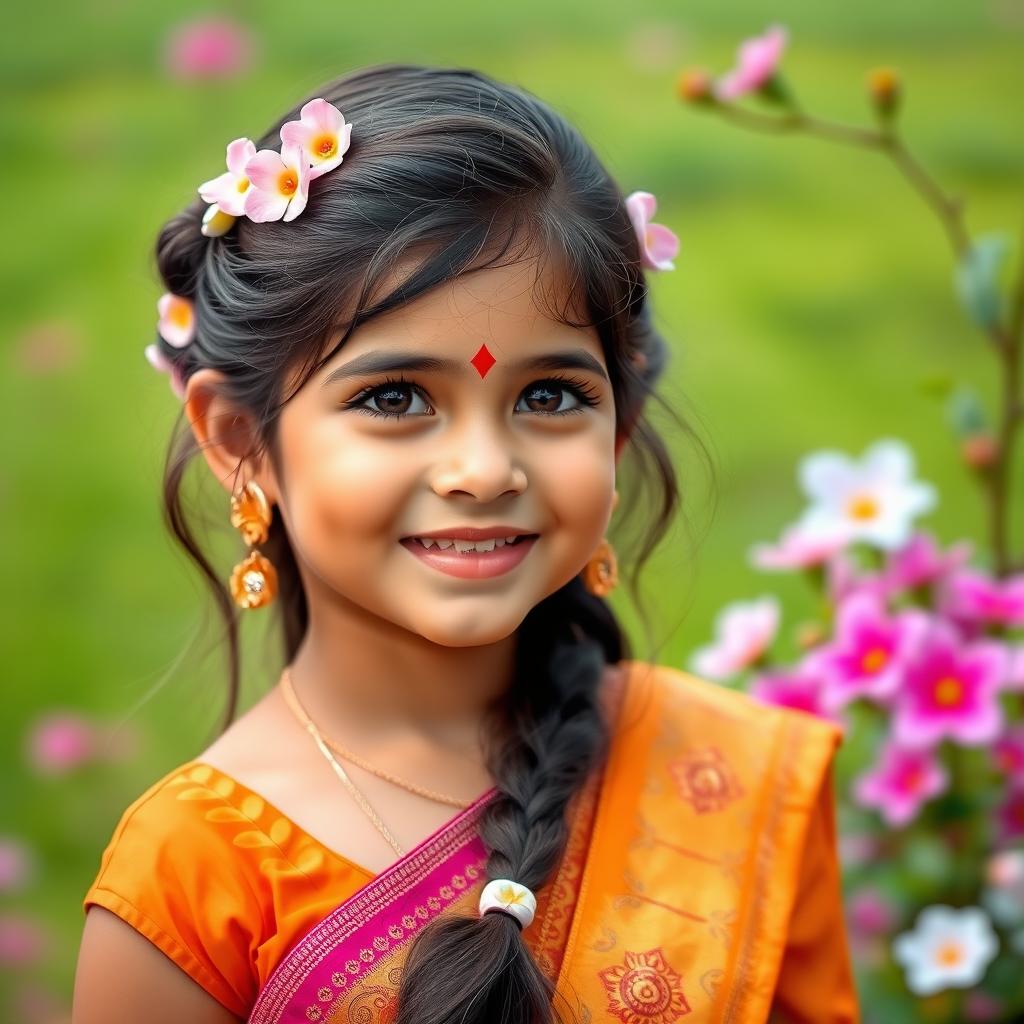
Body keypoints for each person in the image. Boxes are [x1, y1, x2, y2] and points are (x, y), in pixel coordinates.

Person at [71, 64, 859, 1024]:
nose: (484, 470)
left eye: (549, 396)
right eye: (395, 398)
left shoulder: (733, 783)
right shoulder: (191, 882)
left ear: (617, 428)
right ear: (241, 443)